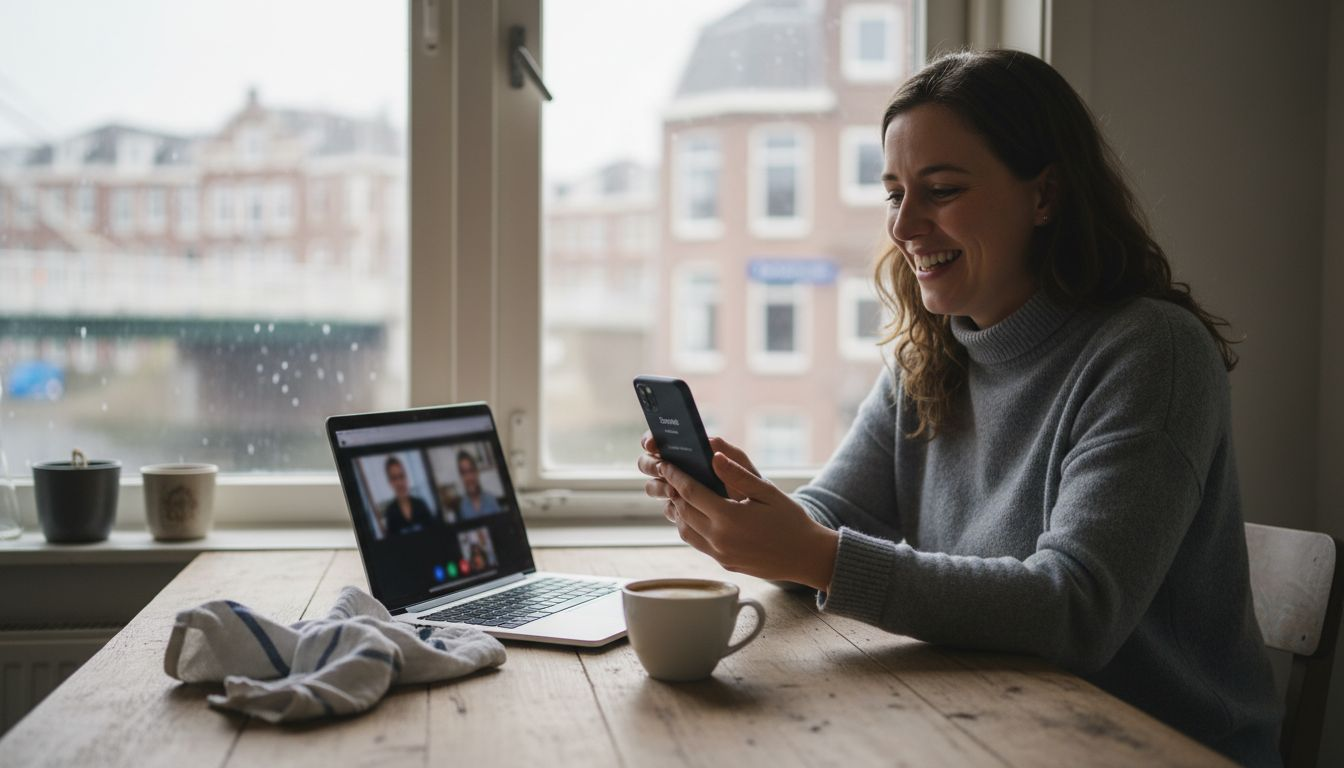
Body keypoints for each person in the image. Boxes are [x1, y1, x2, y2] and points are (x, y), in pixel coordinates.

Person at [637, 50, 1281, 766]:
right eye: (893, 193)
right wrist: (747, 509)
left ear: (1046, 196)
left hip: (1158, 748)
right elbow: (832, 520)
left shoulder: (1152, 352)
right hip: (995, 730)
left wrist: (816, 555)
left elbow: (1078, 609)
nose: (904, 225)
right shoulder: (931, 356)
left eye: (940, 190)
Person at [381, 455, 437, 536]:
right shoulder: (390, 513)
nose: (400, 483)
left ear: (406, 478)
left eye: (401, 476)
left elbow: (435, 534)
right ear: (390, 483)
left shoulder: (421, 505)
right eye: (394, 478)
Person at [457, 450, 501, 520]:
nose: (468, 477)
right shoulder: (462, 506)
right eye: (464, 473)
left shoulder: (491, 499)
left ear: (477, 473)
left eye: (471, 471)